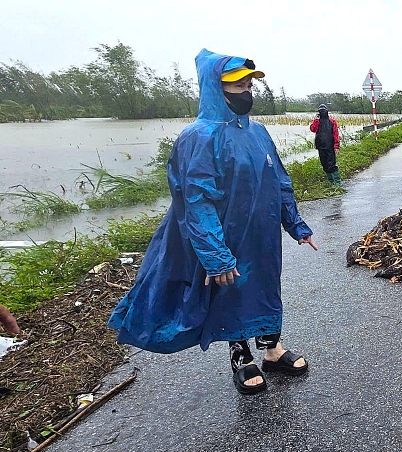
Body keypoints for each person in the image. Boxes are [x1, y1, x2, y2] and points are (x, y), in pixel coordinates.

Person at [108, 49, 318, 395]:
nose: (247, 91)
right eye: (238, 85)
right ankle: (242, 358)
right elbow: (195, 200)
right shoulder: (199, 137)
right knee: (231, 293)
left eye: (249, 84)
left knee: (266, 288)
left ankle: (272, 350)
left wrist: (295, 225)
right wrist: (215, 254)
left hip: (262, 234)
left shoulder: (259, 133)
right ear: (213, 87)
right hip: (225, 236)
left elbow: (279, 179)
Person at [308, 104, 341, 186]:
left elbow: (335, 134)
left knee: (332, 164)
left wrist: (336, 146)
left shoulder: (332, 121)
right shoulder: (317, 122)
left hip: (330, 146)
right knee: (324, 164)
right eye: (320, 111)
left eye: (323, 110)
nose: (322, 112)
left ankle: (337, 182)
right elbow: (312, 129)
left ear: (327, 111)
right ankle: (330, 181)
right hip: (320, 146)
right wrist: (315, 120)